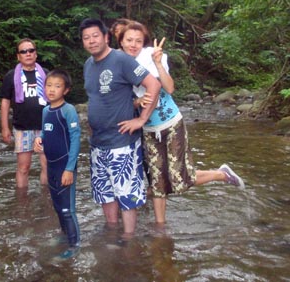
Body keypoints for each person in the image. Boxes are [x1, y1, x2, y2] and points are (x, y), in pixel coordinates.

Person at [119, 21, 245, 225]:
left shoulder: (152, 56)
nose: (133, 45)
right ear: (121, 42)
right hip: (148, 129)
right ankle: (161, 227)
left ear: (144, 43)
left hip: (171, 123)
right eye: (129, 40)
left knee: (179, 178)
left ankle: (221, 174)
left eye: (138, 41)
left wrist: (158, 63)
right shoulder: (118, 65)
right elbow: (123, 100)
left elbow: (169, 88)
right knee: (158, 181)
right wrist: (137, 101)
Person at [80, 18, 161, 238]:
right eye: (86, 38)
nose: (91, 41)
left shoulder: (121, 60)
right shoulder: (88, 64)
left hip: (122, 142)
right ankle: (112, 237)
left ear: (106, 37)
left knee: (127, 196)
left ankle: (129, 241)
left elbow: (154, 84)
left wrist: (141, 119)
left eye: (95, 36)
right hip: (98, 143)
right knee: (104, 194)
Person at [33, 69, 81, 259]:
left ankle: (75, 245)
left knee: (67, 209)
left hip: (65, 166)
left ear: (66, 90)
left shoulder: (68, 110)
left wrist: (69, 169)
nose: (51, 90)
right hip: (51, 166)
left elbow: (75, 139)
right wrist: (39, 140)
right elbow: (46, 133)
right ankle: (64, 236)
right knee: (57, 206)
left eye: (57, 86)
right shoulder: (46, 110)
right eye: (49, 85)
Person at [0, 38, 48, 188]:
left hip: (45, 126)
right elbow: (5, 102)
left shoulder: (46, 74)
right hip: (22, 127)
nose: (28, 54)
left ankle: (46, 197)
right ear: (18, 56)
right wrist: (5, 128)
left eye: (31, 50)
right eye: (23, 51)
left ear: (36, 54)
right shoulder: (11, 76)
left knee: (47, 165)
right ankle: (21, 199)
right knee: (23, 167)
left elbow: (55, 99)